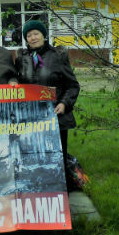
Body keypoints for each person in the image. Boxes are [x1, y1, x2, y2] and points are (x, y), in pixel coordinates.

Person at [15, 19, 80, 176]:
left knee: (56, 156)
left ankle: (62, 186)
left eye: (36, 34)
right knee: (34, 155)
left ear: (43, 35)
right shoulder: (22, 57)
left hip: (55, 117)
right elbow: (17, 81)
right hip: (31, 118)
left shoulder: (58, 55)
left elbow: (72, 86)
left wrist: (64, 103)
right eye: (29, 35)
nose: (33, 38)